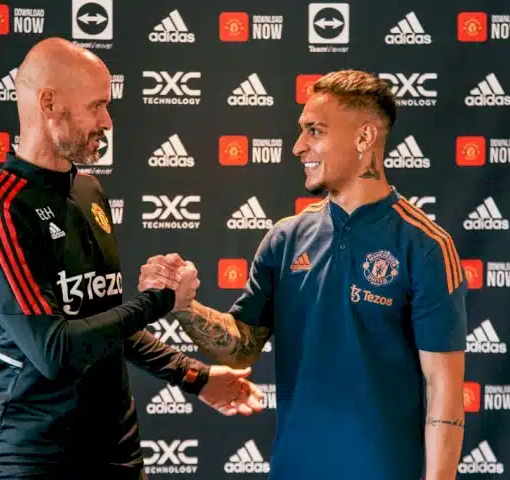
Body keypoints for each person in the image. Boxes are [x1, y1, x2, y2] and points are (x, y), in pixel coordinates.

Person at [0, 37, 263, 480]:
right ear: (49, 103)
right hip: (37, 461)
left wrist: (193, 377)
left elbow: (104, 326)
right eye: (96, 106)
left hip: (118, 452)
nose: (108, 121)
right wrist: (161, 300)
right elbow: (56, 351)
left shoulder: (88, 191)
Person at [151, 70, 468, 480]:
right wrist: (183, 305)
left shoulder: (424, 245)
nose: (298, 146)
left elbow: (444, 390)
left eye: (315, 131)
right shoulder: (285, 238)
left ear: (364, 137)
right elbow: (242, 347)